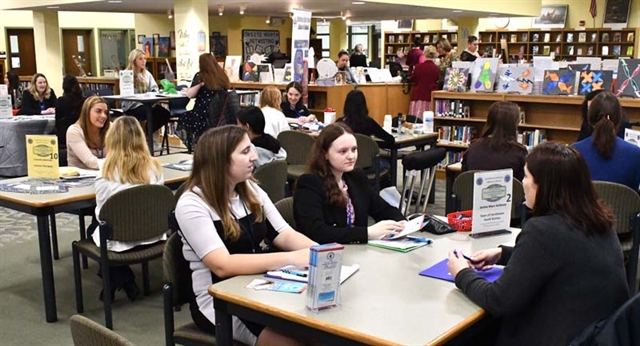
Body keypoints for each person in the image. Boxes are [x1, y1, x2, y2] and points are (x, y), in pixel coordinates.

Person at [447, 142, 629, 346]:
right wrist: (502, 254)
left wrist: (461, 273)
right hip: (593, 335)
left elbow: (499, 300)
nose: (522, 183)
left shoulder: (542, 230)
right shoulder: (600, 221)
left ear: (543, 184)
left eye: (526, 176)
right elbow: (565, 255)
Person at [175, 125, 316, 345]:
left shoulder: (250, 188)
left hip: (257, 287)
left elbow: (284, 234)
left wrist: (322, 252)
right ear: (220, 160)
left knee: (317, 329)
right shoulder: (191, 203)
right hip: (219, 301)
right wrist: (292, 258)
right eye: (244, 151)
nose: (254, 157)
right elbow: (223, 265)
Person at [293, 122, 405, 244]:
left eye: (354, 150)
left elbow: (381, 208)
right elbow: (317, 233)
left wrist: (402, 223)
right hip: (325, 256)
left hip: (357, 252)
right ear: (325, 154)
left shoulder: (356, 176)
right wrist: (367, 233)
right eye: (343, 151)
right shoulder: (309, 183)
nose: (351, 156)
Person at [92, 115, 164, 302]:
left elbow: (102, 215)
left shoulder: (105, 172)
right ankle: (124, 281)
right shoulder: (155, 167)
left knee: (93, 227)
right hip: (155, 233)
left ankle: (121, 280)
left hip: (122, 239)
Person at [572, 91, 640, 190]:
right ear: (619, 118)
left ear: (590, 118)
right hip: (622, 205)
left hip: (584, 205)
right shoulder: (635, 153)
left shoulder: (575, 151)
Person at [179, 53, 240, 144]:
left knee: (184, 118)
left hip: (203, 112)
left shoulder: (200, 76)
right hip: (218, 111)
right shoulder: (222, 74)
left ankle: (195, 143)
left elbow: (190, 95)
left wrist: (200, 84)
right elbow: (226, 87)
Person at [461, 101, 527, 181]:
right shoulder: (519, 152)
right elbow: (522, 185)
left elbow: (464, 178)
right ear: (514, 124)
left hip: (474, 193)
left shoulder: (472, 148)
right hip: (508, 193)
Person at [121, 49, 170, 141]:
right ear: (134, 60)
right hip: (133, 105)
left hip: (147, 103)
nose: (144, 61)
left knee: (164, 113)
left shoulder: (147, 74)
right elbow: (127, 92)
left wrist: (155, 92)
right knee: (149, 112)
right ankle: (144, 135)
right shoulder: (126, 74)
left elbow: (154, 88)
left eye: (145, 59)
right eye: (140, 59)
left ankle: (147, 133)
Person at [66, 96, 110, 169]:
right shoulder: (74, 131)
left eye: (106, 112)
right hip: (80, 178)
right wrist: (117, 164)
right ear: (87, 112)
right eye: (98, 111)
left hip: (104, 176)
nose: (103, 116)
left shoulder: (110, 128)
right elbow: (90, 162)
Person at [409, 45, 440, 120]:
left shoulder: (418, 67)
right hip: (430, 96)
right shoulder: (437, 69)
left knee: (416, 119)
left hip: (418, 95)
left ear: (424, 54)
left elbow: (412, 79)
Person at [55, 75, 86, 151]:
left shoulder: (61, 101)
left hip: (64, 136)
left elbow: (57, 121)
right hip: (82, 133)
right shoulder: (84, 100)